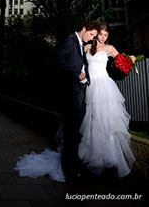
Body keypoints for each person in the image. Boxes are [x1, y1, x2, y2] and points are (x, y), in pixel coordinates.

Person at [14, 20, 98, 182]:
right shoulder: (70, 40)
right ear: (84, 28)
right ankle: (69, 171)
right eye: (92, 34)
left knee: (75, 134)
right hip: (70, 94)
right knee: (70, 134)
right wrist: (77, 73)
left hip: (78, 93)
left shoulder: (79, 43)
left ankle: (74, 167)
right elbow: (60, 62)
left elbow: (80, 64)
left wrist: (85, 77)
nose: (92, 38)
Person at [78, 22, 136, 178]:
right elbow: (78, 65)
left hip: (105, 86)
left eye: (106, 35)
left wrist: (130, 58)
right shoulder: (87, 48)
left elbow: (122, 61)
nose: (103, 38)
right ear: (96, 33)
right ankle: (96, 158)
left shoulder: (109, 49)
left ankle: (111, 158)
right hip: (91, 87)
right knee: (95, 120)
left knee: (108, 122)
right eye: (101, 34)